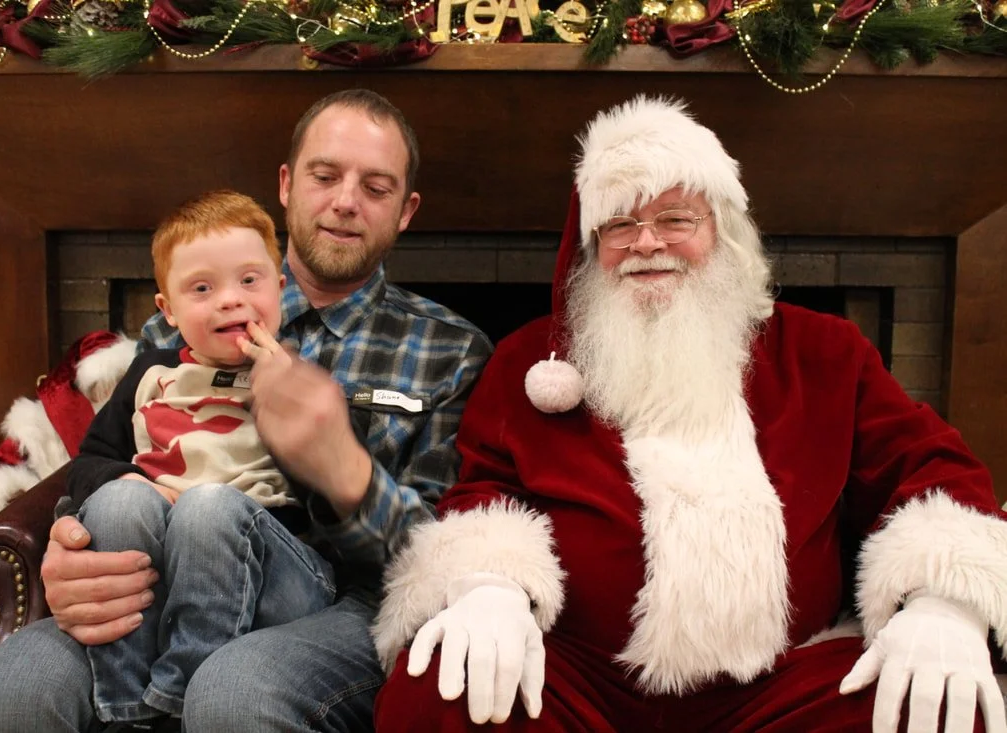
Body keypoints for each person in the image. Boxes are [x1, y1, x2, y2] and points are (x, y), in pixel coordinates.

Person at [372, 95, 1007, 733]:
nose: (647, 243)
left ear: (721, 231)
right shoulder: (529, 364)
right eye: (618, 225)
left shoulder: (826, 352)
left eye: (676, 218)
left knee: (934, 705)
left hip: (786, 684)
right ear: (594, 248)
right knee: (438, 689)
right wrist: (489, 588)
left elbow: (927, 466)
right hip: (580, 682)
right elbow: (485, 490)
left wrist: (941, 604)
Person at [0, 88, 493, 732]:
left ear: (406, 210)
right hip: (165, 580)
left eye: (376, 188)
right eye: (324, 176)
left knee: (233, 688)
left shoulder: (452, 350)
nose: (346, 201)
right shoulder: (192, 318)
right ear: (286, 183)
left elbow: (446, 547)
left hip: (342, 600)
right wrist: (74, 544)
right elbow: (110, 457)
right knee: (19, 682)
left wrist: (345, 473)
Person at [67, 189, 335, 727]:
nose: (230, 300)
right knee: (118, 499)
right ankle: (124, 707)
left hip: (270, 571)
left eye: (249, 281)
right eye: (202, 288)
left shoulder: (302, 380)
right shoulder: (150, 373)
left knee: (209, 507)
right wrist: (138, 485)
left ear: (280, 290)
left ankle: (180, 699)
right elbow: (90, 463)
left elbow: (330, 507)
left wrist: (286, 404)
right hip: (162, 560)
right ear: (167, 309)